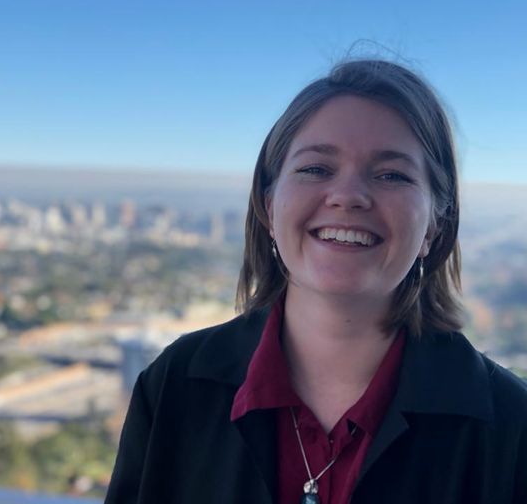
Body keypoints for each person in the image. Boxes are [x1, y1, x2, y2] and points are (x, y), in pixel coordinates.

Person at [105, 59, 527, 504]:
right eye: (315, 169)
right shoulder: (174, 386)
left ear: (432, 229)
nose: (347, 196)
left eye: (391, 175)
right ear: (269, 207)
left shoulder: (510, 426)